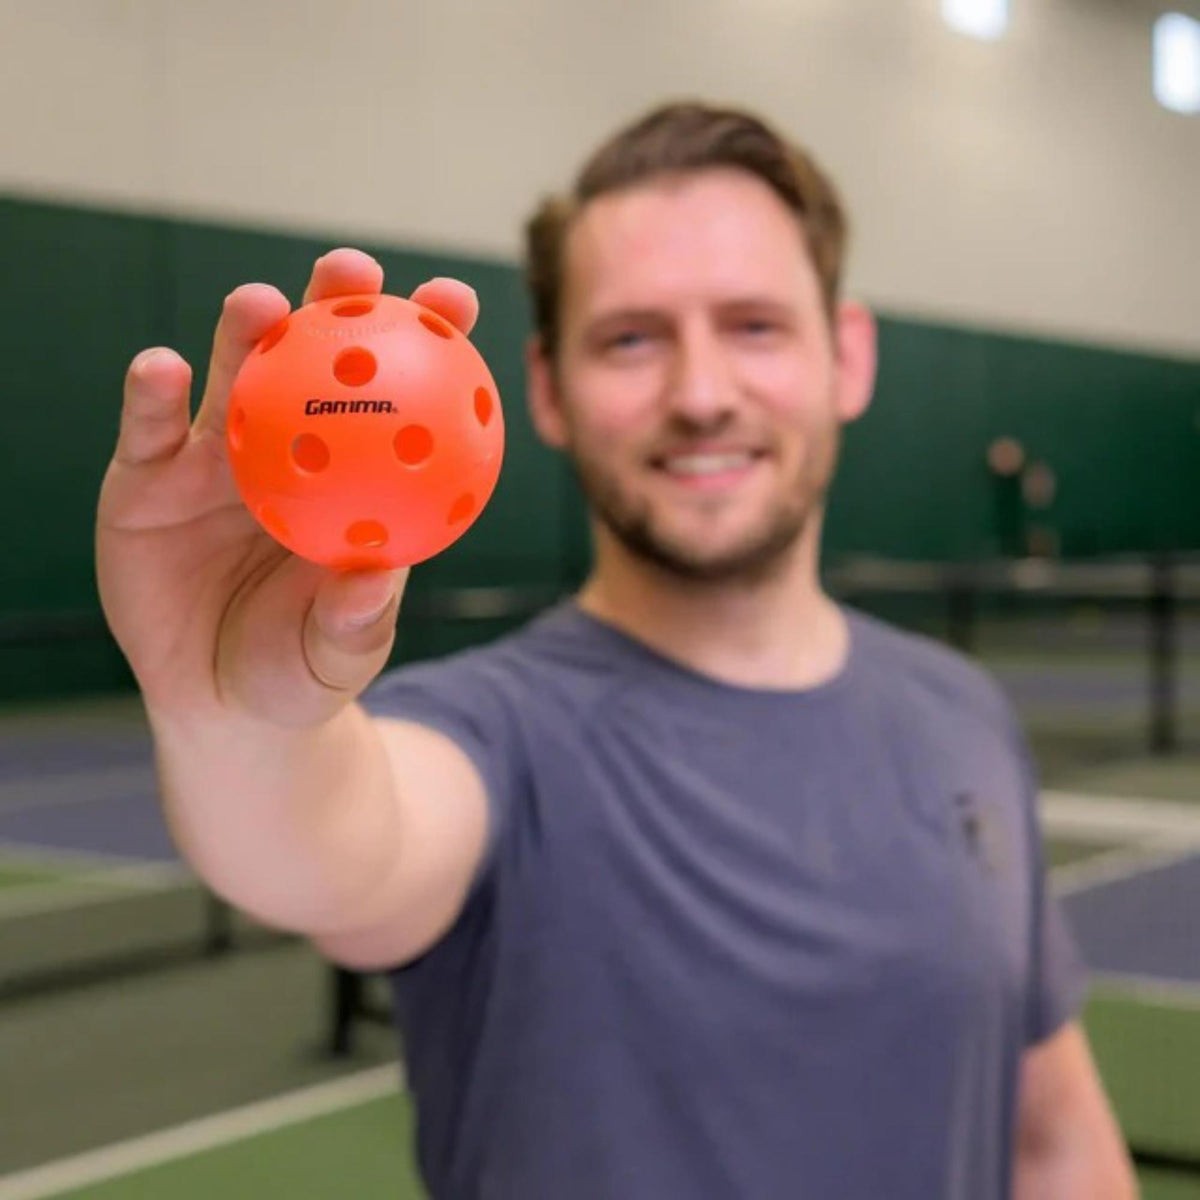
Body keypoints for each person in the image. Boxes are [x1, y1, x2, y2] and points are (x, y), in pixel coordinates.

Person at [97, 101, 1136, 1199]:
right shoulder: (492, 738)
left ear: (848, 355)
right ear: (546, 389)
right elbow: (332, 843)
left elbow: (1054, 1140)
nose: (698, 395)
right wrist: (231, 719)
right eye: (631, 339)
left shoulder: (961, 712)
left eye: (754, 326)